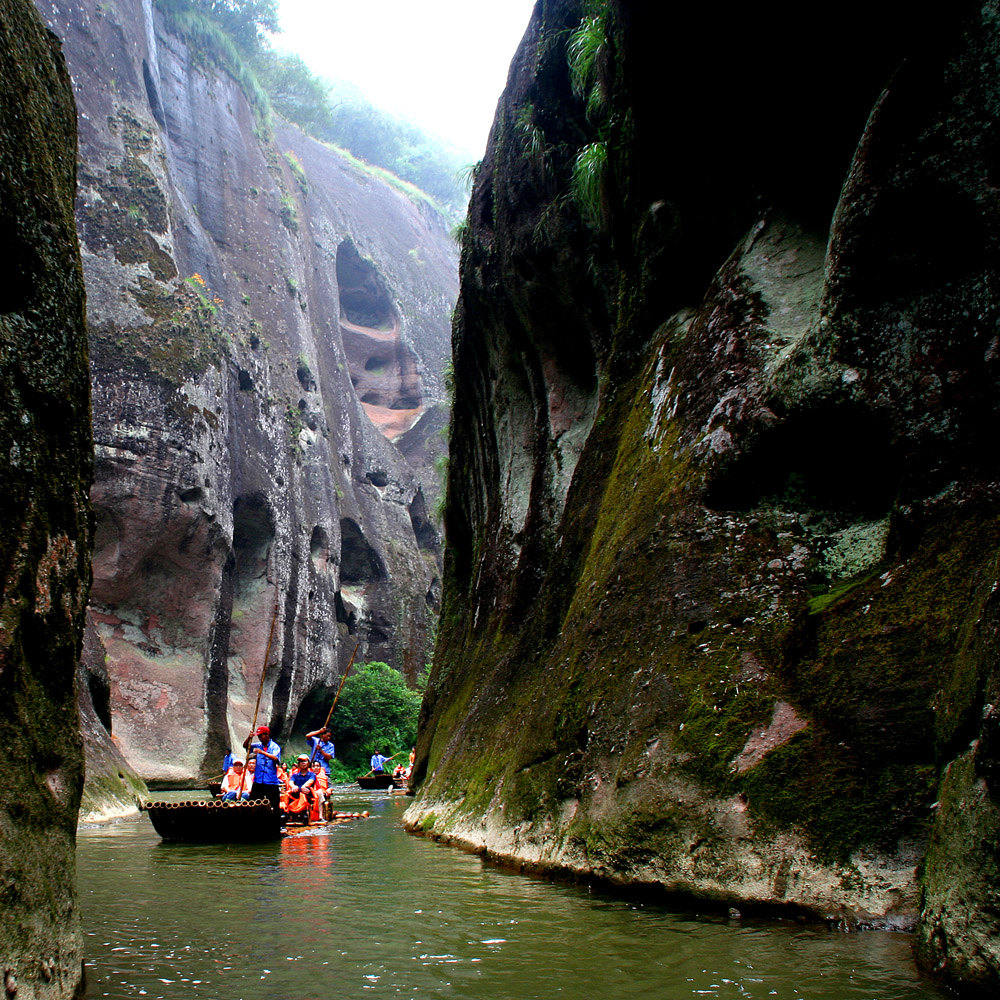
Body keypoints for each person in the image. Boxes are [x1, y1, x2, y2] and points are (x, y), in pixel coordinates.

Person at [242, 724, 282, 811]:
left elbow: (275, 758)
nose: (260, 738)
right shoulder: (258, 745)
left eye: (261, 735)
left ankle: (276, 823)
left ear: (267, 735)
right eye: (258, 736)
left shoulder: (275, 747)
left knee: (274, 804)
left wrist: (262, 752)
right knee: (253, 804)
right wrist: (249, 737)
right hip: (258, 780)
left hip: (271, 781)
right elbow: (245, 746)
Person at [286, 754, 317, 824]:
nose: (303, 763)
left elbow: (310, 782)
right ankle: (287, 811)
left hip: (307, 795)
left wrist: (303, 787)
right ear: (298, 764)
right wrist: (293, 786)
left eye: (305, 761)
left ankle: (303, 811)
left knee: (303, 793)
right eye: (301, 761)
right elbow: (291, 782)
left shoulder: (312, 775)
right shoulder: (295, 775)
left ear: (308, 763)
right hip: (296, 794)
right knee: (287, 794)